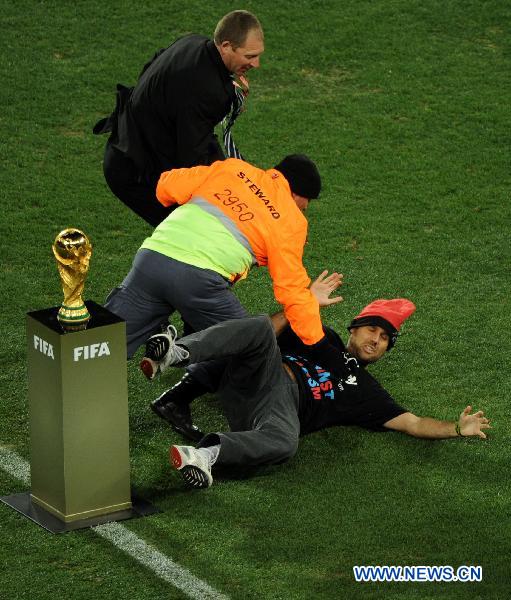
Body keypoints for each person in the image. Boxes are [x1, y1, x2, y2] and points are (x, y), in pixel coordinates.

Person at [141, 291, 490, 489]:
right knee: (263, 327)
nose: (376, 341)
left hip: (275, 413)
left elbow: (413, 423)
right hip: (257, 375)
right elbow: (272, 330)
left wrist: (457, 428)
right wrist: (305, 303)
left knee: (286, 442)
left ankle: (204, 455)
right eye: (372, 330)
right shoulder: (322, 336)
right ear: (353, 330)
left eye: (384, 339)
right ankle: (176, 352)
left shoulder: (366, 391)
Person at [105, 154, 344, 437]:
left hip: (152, 257)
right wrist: (319, 346)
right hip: (199, 281)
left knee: (104, 343)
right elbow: (291, 290)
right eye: (306, 204)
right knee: (248, 343)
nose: (305, 210)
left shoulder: (233, 168)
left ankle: (71, 400)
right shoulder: (291, 218)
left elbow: (165, 186)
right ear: (297, 193)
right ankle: (234, 426)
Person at [93, 10, 264, 226]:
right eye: (249, 56)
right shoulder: (207, 91)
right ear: (226, 46)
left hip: (130, 148)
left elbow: (152, 66)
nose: (256, 64)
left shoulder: (192, 43)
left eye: (258, 55)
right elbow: (193, 161)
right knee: (198, 231)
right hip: (136, 172)